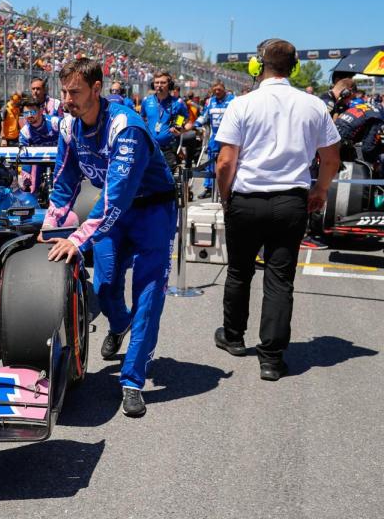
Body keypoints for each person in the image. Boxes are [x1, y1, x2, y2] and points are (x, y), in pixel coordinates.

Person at [40, 58, 176, 417]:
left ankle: (132, 380)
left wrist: (77, 238)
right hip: (114, 210)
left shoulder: (125, 127)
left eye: (75, 92)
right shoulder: (69, 125)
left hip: (152, 211)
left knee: (147, 295)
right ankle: (119, 324)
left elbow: (116, 196)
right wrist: (51, 226)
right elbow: (64, 180)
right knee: (104, 285)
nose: (67, 98)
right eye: (64, 91)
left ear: (97, 90)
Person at [213, 38, 341, 381]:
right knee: (280, 278)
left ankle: (234, 336)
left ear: (259, 66)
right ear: (294, 67)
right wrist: (321, 190)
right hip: (291, 202)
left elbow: (225, 162)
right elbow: (331, 158)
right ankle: (271, 358)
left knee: (239, 271)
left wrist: (226, 197)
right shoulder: (313, 105)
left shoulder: (242, 104)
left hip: (247, 199)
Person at [140, 71, 190, 173]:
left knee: (167, 182)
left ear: (169, 85)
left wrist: (180, 130)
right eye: (157, 82)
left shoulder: (178, 103)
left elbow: (187, 122)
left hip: (169, 149)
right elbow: (142, 119)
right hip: (149, 149)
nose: (159, 85)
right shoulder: (146, 101)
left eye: (163, 83)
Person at [192, 81, 235, 199]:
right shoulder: (211, 101)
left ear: (224, 89)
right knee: (210, 162)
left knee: (229, 163)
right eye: (215, 90)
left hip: (229, 137)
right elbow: (204, 115)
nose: (217, 92)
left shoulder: (233, 100)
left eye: (219, 90)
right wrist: (196, 124)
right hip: (214, 137)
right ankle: (209, 188)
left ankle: (229, 187)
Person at [17, 99, 59, 194]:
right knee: (31, 186)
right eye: (26, 113)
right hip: (40, 161)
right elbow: (24, 154)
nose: (29, 115)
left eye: (32, 112)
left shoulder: (54, 122)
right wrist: (25, 173)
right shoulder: (25, 131)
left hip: (59, 160)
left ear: (40, 111)